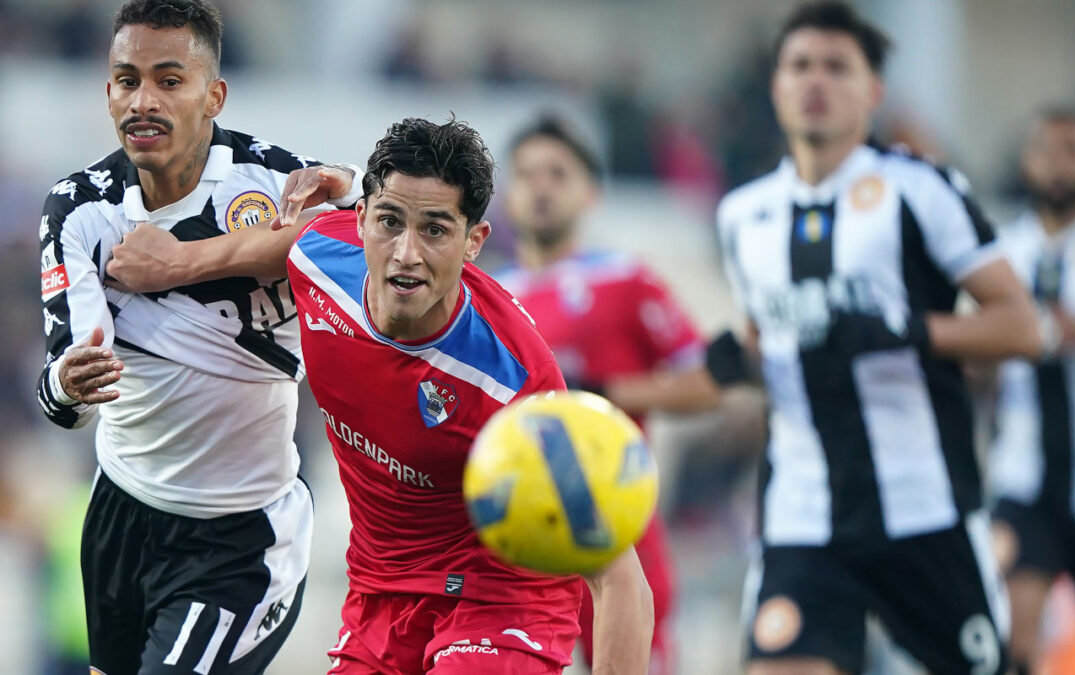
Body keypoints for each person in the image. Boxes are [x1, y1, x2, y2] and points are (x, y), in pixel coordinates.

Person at [108, 116, 655, 674]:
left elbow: (619, 578)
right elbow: (293, 240)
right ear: (361, 219)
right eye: (390, 222)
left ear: (475, 242)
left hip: (502, 599)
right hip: (380, 596)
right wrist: (178, 263)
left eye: (436, 230)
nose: (406, 254)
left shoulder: (513, 378)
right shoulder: (323, 255)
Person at [705, 2, 1044, 674]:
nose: (816, 81)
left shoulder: (920, 191)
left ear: (873, 91)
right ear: (776, 85)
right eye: (800, 65)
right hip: (801, 513)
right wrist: (737, 363)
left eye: (837, 66)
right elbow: (769, 343)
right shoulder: (743, 215)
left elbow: (1022, 326)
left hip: (924, 508)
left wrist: (911, 330)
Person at [36, 1, 359, 672]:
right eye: (127, 80)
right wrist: (66, 384)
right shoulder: (80, 206)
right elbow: (65, 382)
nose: (143, 100)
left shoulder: (271, 181)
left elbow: (381, 231)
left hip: (238, 537)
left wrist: (352, 185)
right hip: (120, 510)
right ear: (108, 92)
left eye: (169, 79)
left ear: (214, 94)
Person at [495, 115, 721, 675]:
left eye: (557, 173)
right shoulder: (491, 295)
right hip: (519, 535)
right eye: (526, 175)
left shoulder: (624, 279)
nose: (540, 187)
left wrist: (607, 393)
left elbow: (707, 383)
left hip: (617, 526)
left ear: (589, 192)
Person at [989, 107, 1075, 675]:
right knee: (1015, 638)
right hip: (1024, 473)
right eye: (1046, 151)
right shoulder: (1002, 252)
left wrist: (1027, 327)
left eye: (1071, 151)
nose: (1057, 166)